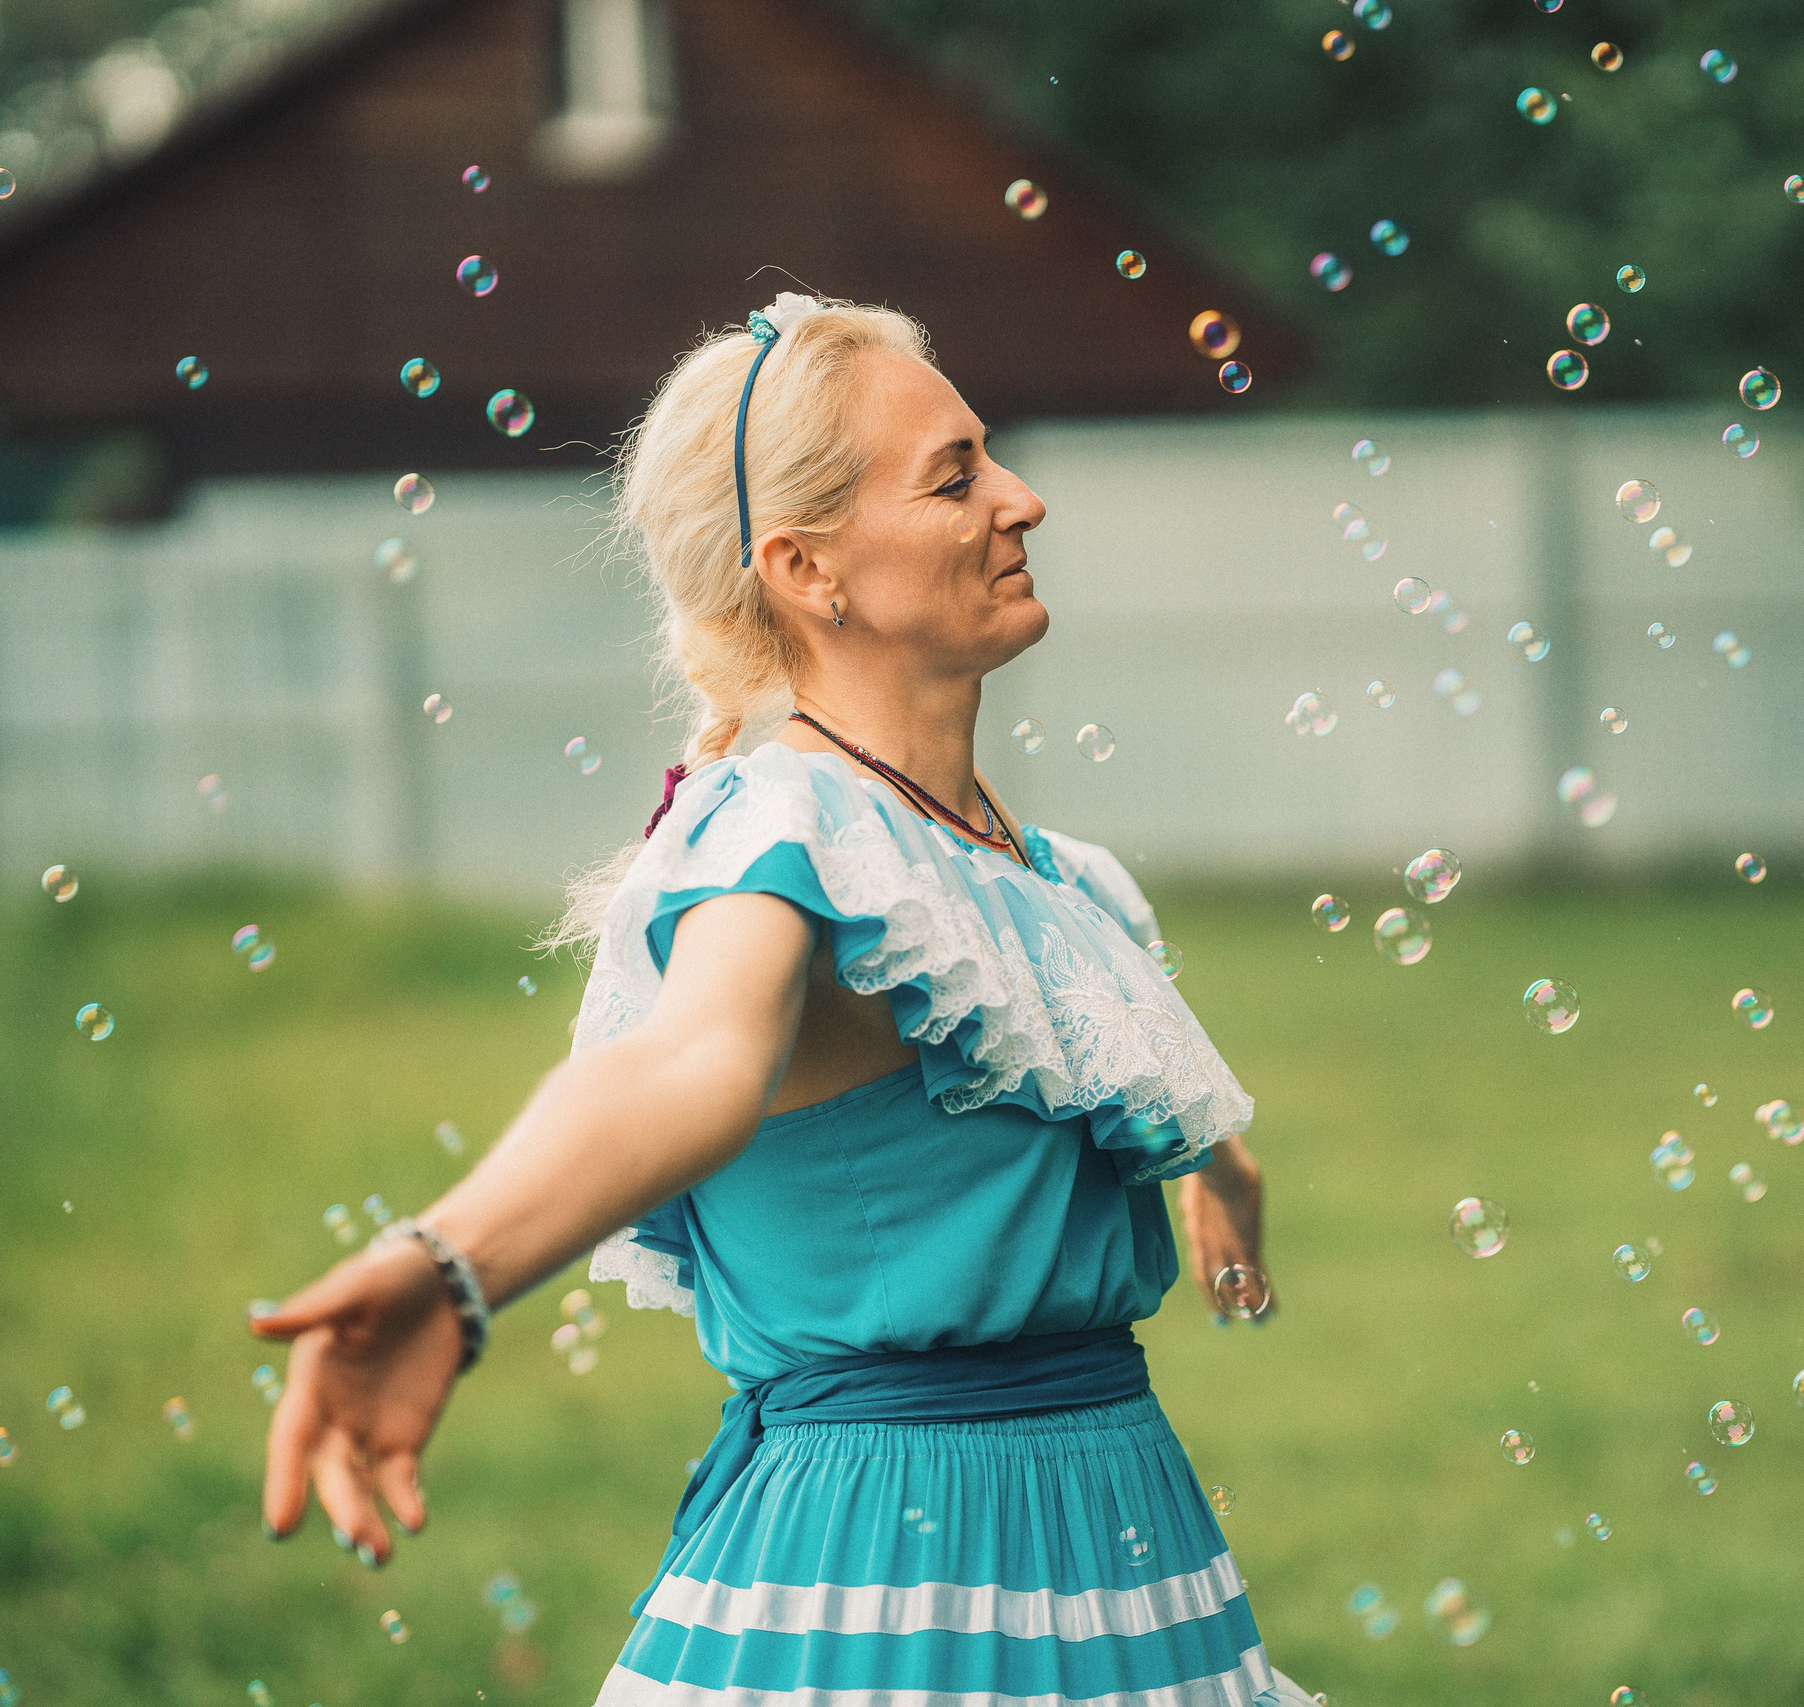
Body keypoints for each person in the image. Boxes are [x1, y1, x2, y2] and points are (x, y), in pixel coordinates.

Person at [249, 293, 1304, 1707]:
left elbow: (1128, 1080)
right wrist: (454, 1265)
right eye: (956, 477)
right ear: (807, 568)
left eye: (991, 457)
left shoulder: (1050, 877)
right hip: (897, 1573)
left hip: (1122, 1547)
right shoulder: (785, 831)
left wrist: (1221, 1173)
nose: (1023, 499)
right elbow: (687, 1065)